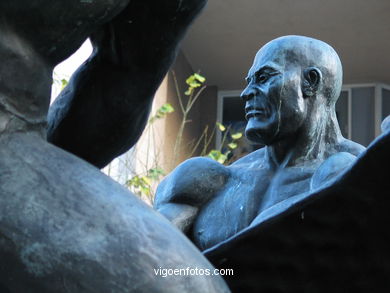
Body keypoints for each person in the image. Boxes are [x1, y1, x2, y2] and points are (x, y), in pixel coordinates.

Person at [0, 1, 230, 292]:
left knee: (180, 282)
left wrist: (46, 194)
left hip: (15, 130)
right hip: (14, 129)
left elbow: (124, 79)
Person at [154, 35, 366, 251]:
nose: (246, 94)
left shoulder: (361, 175)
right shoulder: (208, 181)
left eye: (264, 77)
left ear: (310, 82)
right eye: (249, 82)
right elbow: (152, 255)